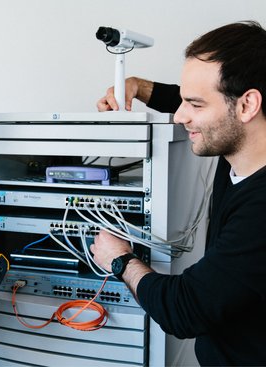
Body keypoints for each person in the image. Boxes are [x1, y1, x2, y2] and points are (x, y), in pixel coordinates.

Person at [91, 21, 266, 365]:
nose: (180, 116)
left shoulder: (261, 210)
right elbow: (203, 101)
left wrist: (121, 260)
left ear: (247, 106)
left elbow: (185, 309)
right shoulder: (241, 141)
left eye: (195, 105)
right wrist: (138, 86)